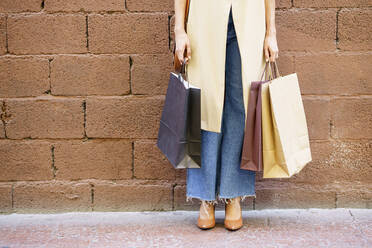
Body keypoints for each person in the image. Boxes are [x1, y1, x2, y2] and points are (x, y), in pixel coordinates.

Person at [174, 0, 279, 231]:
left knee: (240, 106)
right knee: (203, 107)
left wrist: (271, 31)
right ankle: (205, 198)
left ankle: (234, 195)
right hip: (203, 23)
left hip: (249, 23)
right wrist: (179, 29)